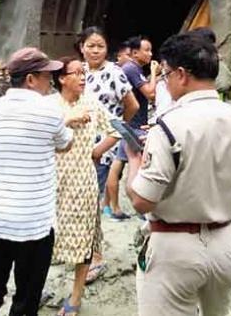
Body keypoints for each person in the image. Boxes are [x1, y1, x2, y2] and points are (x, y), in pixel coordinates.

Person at [125, 31, 231, 316]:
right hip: (227, 244)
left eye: (166, 74)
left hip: (175, 250)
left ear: (181, 75)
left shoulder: (168, 126)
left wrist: (134, 159)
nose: (164, 81)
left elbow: (141, 200)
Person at [0, 47, 89, 316]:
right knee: (26, 297)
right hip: (35, 224)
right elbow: (65, 144)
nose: (50, 81)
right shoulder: (49, 110)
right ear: (30, 79)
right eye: (46, 75)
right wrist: (67, 122)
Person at [48, 57, 121, 316]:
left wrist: (96, 151)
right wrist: (67, 119)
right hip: (51, 182)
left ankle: (76, 297)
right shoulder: (50, 105)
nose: (82, 77)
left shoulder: (91, 103)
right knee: (45, 238)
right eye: (76, 73)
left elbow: (115, 130)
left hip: (83, 183)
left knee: (83, 240)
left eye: (84, 72)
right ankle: (38, 286)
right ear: (61, 78)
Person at [78, 26, 138, 283]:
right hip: (77, 146)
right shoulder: (78, 71)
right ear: (82, 47)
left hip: (101, 149)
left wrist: (114, 132)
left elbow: (132, 105)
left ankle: (96, 257)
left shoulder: (114, 73)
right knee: (77, 199)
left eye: (100, 46)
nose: (94, 50)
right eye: (90, 45)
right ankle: (81, 249)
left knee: (91, 204)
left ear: (107, 49)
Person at [107, 36, 159, 219]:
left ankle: (113, 207)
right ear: (135, 53)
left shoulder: (132, 69)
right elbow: (151, 94)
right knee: (136, 166)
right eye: (147, 50)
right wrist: (153, 72)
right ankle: (137, 207)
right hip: (135, 125)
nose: (150, 54)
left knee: (119, 164)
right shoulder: (132, 69)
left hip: (130, 123)